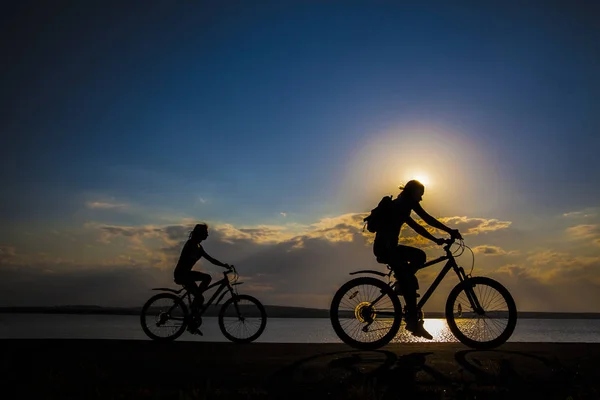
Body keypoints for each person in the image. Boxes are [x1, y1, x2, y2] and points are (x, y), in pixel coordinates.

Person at [373, 180, 462, 340]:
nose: (420, 199)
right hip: (386, 249)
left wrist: (436, 239)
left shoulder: (402, 204)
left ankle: (404, 289)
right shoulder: (404, 204)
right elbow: (426, 219)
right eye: (419, 195)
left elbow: (418, 226)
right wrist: (450, 231)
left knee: (415, 266)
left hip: (388, 248)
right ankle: (412, 322)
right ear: (412, 192)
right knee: (410, 279)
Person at [174, 223, 230, 333]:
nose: (207, 235)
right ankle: (194, 308)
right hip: (182, 274)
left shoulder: (199, 247)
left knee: (205, 281)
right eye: (206, 233)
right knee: (201, 293)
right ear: (200, 234)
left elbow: (210, 259)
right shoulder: (191, 244)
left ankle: (195, 305)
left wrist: (224, 265)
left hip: (187, 274)